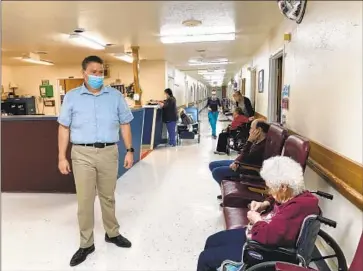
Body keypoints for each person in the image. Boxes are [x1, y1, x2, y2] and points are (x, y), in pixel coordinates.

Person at [58, 55, 134, 267]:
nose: (98, 76)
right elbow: (63, 127)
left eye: (101, 72)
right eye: (94, 72)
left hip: (109, 152)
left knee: (108, 197)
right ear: (84, 73)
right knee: (84, 200)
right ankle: (86, 244)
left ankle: (112, 233)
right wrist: (61, 156)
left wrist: (129, 150)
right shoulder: (72, 97)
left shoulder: (115, 96)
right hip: (81, 154)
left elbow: (125, 124)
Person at [197, 156, 320, 271]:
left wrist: (256, 219)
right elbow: (274, 198)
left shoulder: (296, 208)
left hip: (266, 249)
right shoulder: (297, 194)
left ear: (283, 187)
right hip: (257, 236)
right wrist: (264, 204)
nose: (270, 192)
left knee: (205, 259)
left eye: (271, 188)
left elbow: (269, 235)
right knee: (212, 240)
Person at [209, 119, 269, 186]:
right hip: (242, 163)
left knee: (216, 172)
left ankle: (228, 190)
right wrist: (237, 161)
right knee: (212, 165)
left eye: (251, 128)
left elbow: (246, 157)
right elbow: (243, 154)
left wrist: (249, 141)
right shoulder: (258, 140)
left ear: (259, 130)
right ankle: (226, 189)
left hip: (248, 169)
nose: (249, 131)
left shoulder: (262, 146)